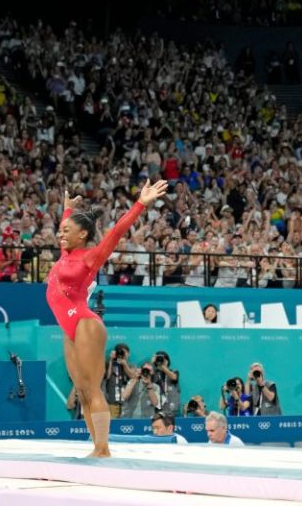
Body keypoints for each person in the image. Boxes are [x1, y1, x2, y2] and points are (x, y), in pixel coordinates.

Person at [45, 180, 167, 458]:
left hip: (86, 324)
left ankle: (103, 448)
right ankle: (97, 446)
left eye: (66, 231)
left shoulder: (90, 257)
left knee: (92, 387)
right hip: (70, 327)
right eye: (60, 230)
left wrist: (140, 204)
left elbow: (116, 231)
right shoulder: (67, 253)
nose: (60, 234)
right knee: (82, 390)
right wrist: (67, 211)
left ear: (83, 234)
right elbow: (68, 227)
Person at [104, 343, 137, 418]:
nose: (122, 354)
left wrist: (124, 364)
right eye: (120, 352)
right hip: (112, 402)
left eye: (124, 352)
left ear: (128, 354)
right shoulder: (110, 364)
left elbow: (133, 376)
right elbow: (107, 376)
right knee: (113, 426)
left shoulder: (131, 365)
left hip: (127, 404)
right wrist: (111, 360)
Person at [151, 350, 181, 416]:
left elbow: (174, 377)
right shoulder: (153, 373)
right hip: (157, 408)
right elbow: (148, 379)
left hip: (172, 408)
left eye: (163, 359)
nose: (160, 361)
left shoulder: (174, 371)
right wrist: (152, 364)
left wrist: (163, 367)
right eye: (158, 359)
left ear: (167, 361)